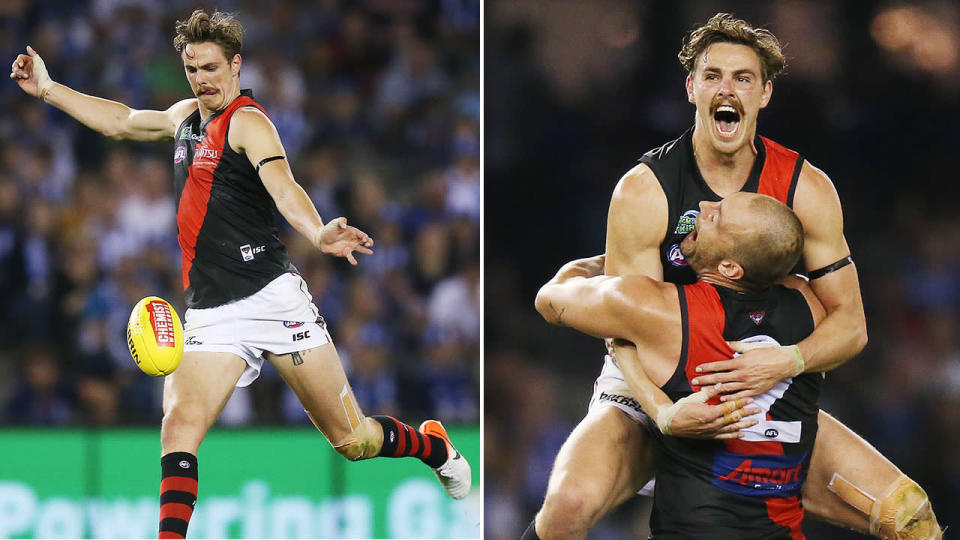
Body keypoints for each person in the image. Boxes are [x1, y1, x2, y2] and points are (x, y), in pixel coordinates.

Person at [10, 9, 470, 539]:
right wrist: (48, 89)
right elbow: (122, 121)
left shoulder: (249, 123)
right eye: (191, 68)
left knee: (355, 442)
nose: (201, 79)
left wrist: (318, 233)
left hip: (273, 300)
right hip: (210, 313)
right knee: (178, 428)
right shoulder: (185, 116)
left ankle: (433, 445)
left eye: (210, 68)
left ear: (235, 64)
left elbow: (283, 187)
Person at [524, 13, 939, 540]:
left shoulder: (805, 188)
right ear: (691, 87)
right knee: (567, 508)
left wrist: (786, 362)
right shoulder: (644, 191)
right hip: (653, 383)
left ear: (764, 93)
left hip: (754, 380)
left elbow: (851, 326)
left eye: (743, 78)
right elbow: (626, 327)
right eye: (713, 75)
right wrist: (666, 412)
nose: (728, 88)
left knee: (909, 517)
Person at [537, 193, 829, 538]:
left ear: (730, 268)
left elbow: (550, 300)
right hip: (783, 525)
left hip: (692, 525)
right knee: (900, 509)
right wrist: (794, 359)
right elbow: (852, 330)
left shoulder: (657, 309)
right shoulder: (812, 304)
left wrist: (602, 262)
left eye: (716, 217)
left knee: (566, 507)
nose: (702, 207)